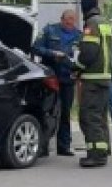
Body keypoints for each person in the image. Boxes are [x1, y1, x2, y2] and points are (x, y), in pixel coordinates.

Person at [32, 9, 81, 157]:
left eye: (73, 21)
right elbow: (35, 48)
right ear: (62, 19)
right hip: (49, 79)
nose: (70, 23)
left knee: (65, 113)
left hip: (67, 79)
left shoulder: (79, 35)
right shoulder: (49, 30)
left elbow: (82, 56)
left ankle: (64, 146)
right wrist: (52, 54)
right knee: (46, 112)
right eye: (67, 20)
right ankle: (43, 147)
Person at [74, 0, 112, 167]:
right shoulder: (105, 22)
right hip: (105, 77)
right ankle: (104, 149)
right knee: (100, 116)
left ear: (85, 8)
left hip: (93, 78)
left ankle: (96, 155)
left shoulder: (91, 24)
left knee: (89, 116)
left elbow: (89, 53)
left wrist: (76, 66)